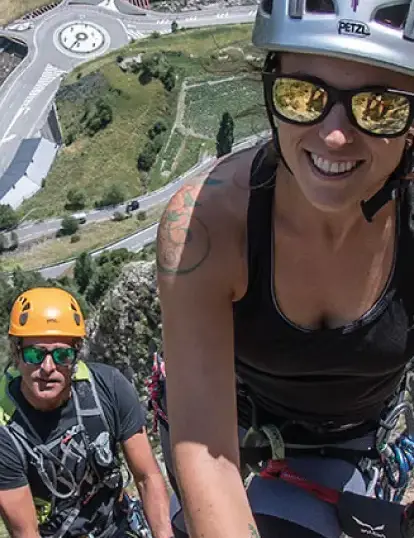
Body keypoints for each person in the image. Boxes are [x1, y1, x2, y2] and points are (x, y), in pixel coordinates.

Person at [155, 0, 414, 537]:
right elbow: (208, 452)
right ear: (271, 92)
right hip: (228, 426)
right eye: (304, 97)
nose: (334, 135)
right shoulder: (206, 226)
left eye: (379, 108)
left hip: (356, 433)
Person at [0, 287, 173, 538]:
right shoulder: (5, 431)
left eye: (62, 355)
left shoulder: (109, 387)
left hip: (117, 523)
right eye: (35, 354)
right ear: (16, 354)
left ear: (76, 354)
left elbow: (147, 477)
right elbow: (26, 531)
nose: (48, 367)